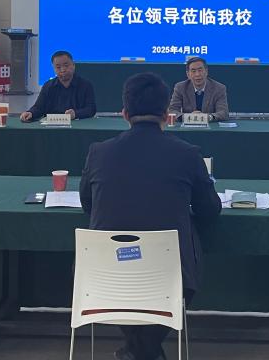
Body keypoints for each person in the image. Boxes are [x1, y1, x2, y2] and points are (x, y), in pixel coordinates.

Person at [81, 73, 221, 360]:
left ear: (124, 114)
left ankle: (138, 350)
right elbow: (209, 209)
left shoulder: (98, 152)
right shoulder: (187, 154)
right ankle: (145, 350)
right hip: (169, 277)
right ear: (167, 114)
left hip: (104, 276)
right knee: (187, 241)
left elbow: (88, 205)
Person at [20, 50, 96, 121]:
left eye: (66, 65)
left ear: (73, 65)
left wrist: (75, 114)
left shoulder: (85, 85)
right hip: (52, 125)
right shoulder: (48, 86)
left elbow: (91, 109)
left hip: (77, 124)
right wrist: (30, 113)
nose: (63, 70)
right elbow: (39, 108)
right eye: (58, 67)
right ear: (54, 69)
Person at [167, 56, 230, 121]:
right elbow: (172, 110)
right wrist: (189, 117)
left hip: (210, 125)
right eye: (193, 71)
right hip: (188, 125)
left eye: (200, 70)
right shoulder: (180, 87)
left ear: (206, 72)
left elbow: (224, 113)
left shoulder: (219, 88)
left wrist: (208, 117)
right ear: (188, 74)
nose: (197, 74)